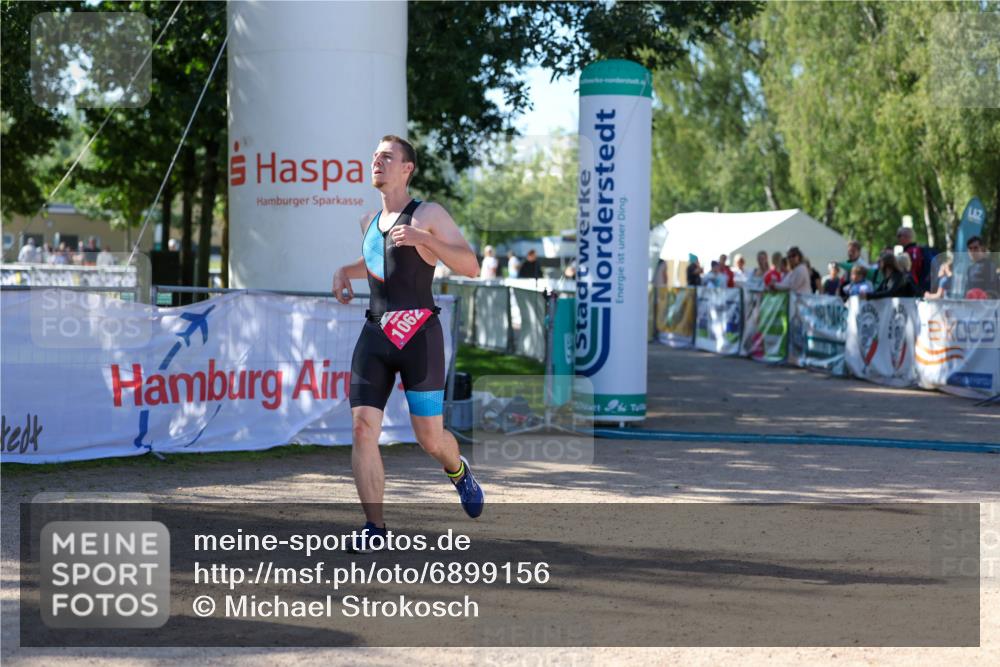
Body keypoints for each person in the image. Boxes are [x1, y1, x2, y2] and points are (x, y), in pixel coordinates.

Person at [331, 135, 484, 551]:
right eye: (374, 156)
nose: (376, 162)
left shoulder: (428, 213)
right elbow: (381, 262)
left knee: (430, 440)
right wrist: (345, 270)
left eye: (386, 157)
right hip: (377, 333)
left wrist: (427, 240)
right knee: (363, 428)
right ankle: (375, 529)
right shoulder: (367, 221)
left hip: (420, 336)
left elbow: (471, 265)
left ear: (407, 168)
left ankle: (458, 471)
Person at [896, 226, 927, 295]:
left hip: (916, 291)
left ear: (907, 236)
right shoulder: (911, 251)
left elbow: (913, 272)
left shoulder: (912, 251)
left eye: (899, 236)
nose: (897, 238)